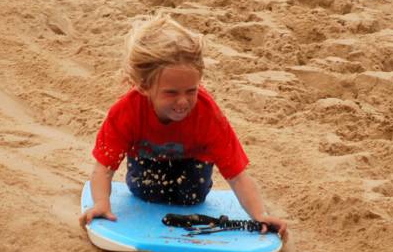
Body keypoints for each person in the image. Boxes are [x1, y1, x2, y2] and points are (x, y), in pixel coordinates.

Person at [79, 14, 287, 238]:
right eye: (171, 92)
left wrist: (259, 214)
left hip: (194, 163)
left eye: (191, 91)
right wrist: (101, 203)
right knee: (144, 191)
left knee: (191, 197)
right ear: (143, 86)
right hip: (146, 160)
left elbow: (237, 176)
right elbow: (104, 168)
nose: (183, 101)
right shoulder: (126, 112)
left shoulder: (207, 115)